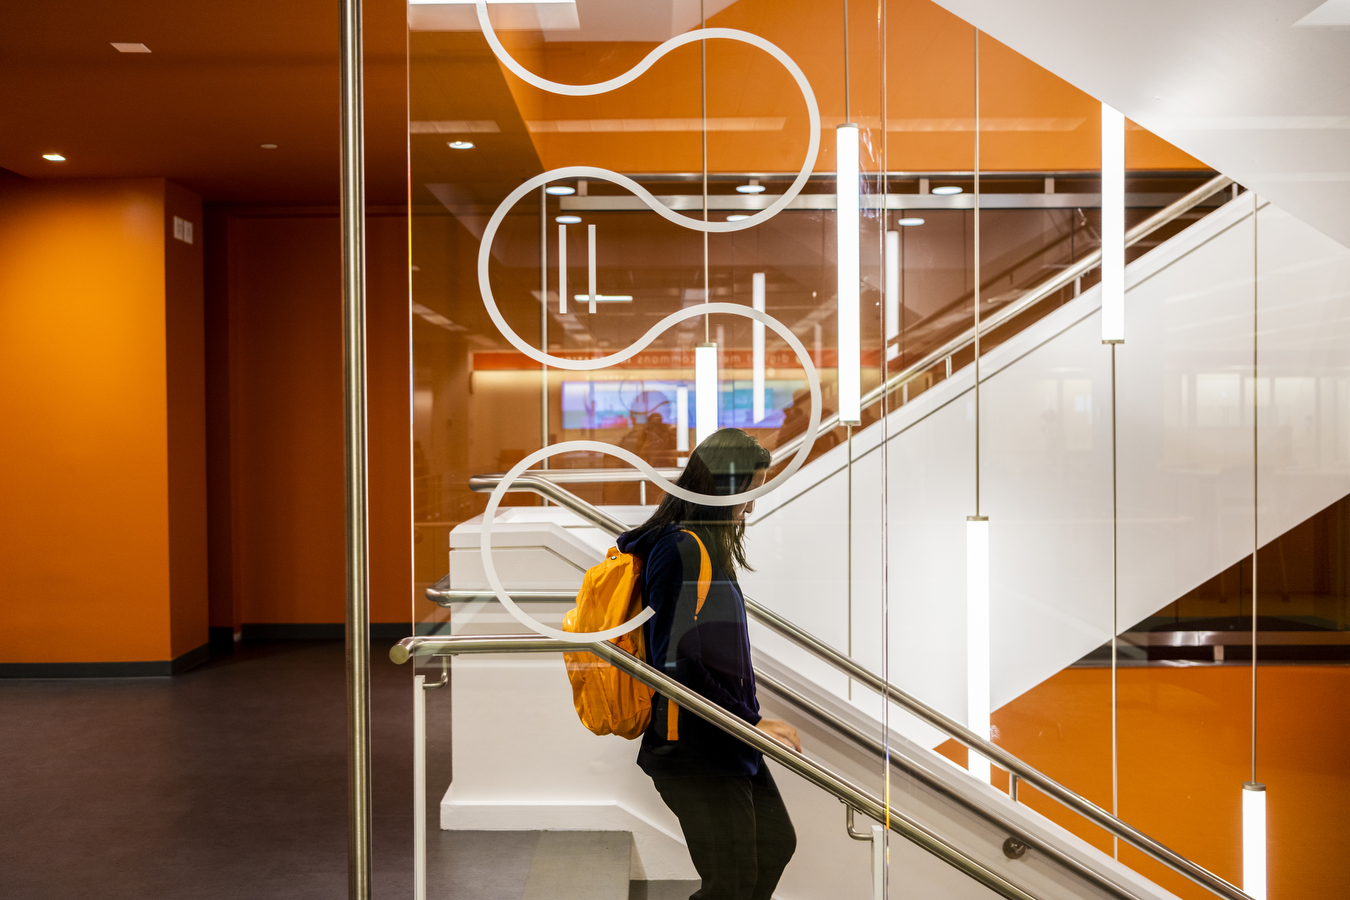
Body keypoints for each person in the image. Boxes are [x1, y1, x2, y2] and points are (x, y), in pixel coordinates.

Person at [615, 428, 800, 900]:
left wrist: (748, 725)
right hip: (693, 748)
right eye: (750, 490)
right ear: (724, 488)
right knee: (731, 880)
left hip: (726, 741)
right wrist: (753, 721)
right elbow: (676, 664)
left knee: (775, 844)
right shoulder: (680, 550)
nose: (752, 506)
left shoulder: (706, 546)